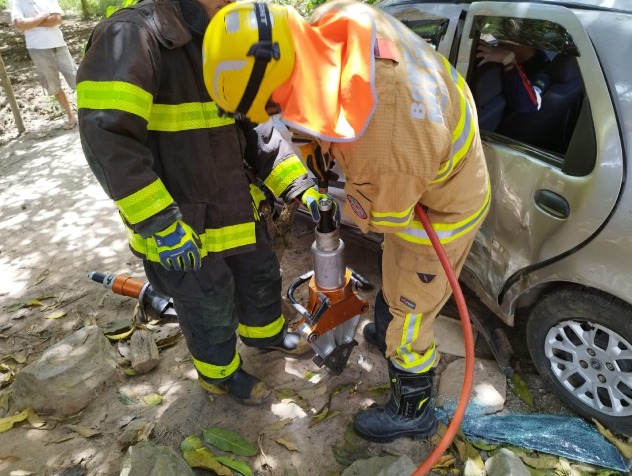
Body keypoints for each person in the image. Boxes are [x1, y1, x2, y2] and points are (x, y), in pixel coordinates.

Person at [202, 0, 490, 441]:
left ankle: (413, 409)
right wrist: (318, 162)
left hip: (439, 209)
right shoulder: (334, 23)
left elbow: (382, 219)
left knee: (413, 305)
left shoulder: (387, 138)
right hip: (420, 173)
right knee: (395, 274)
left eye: (272, 110)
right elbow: (316, 113)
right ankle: (389, 327)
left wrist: (347, 197)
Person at [77, 0, 335, 406]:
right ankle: (221, 374)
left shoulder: (227, 35)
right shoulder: (132, 36)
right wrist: (158, 222)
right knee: (207, 306)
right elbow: (108, 141)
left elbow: (256, 125)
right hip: (182, 228)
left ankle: (264, 335)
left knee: (261, 275)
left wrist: (299, 185)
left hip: (236, 208)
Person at [9, 0, 78, 129]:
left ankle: (90, 110)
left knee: (77, 78)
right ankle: (70, 116)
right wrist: (42, 16)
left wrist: (32, 22)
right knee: (53, 86)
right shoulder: (15, 1)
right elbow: (21, 25)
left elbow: (56, 19)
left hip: (59, 45)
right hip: (37, 48)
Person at [477, 39, 552, 114]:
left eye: (509, 39)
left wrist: (509, 60)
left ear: (528, 44)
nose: (501, 42)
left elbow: (530, 103)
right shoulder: (502, 54)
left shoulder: (542, 71)